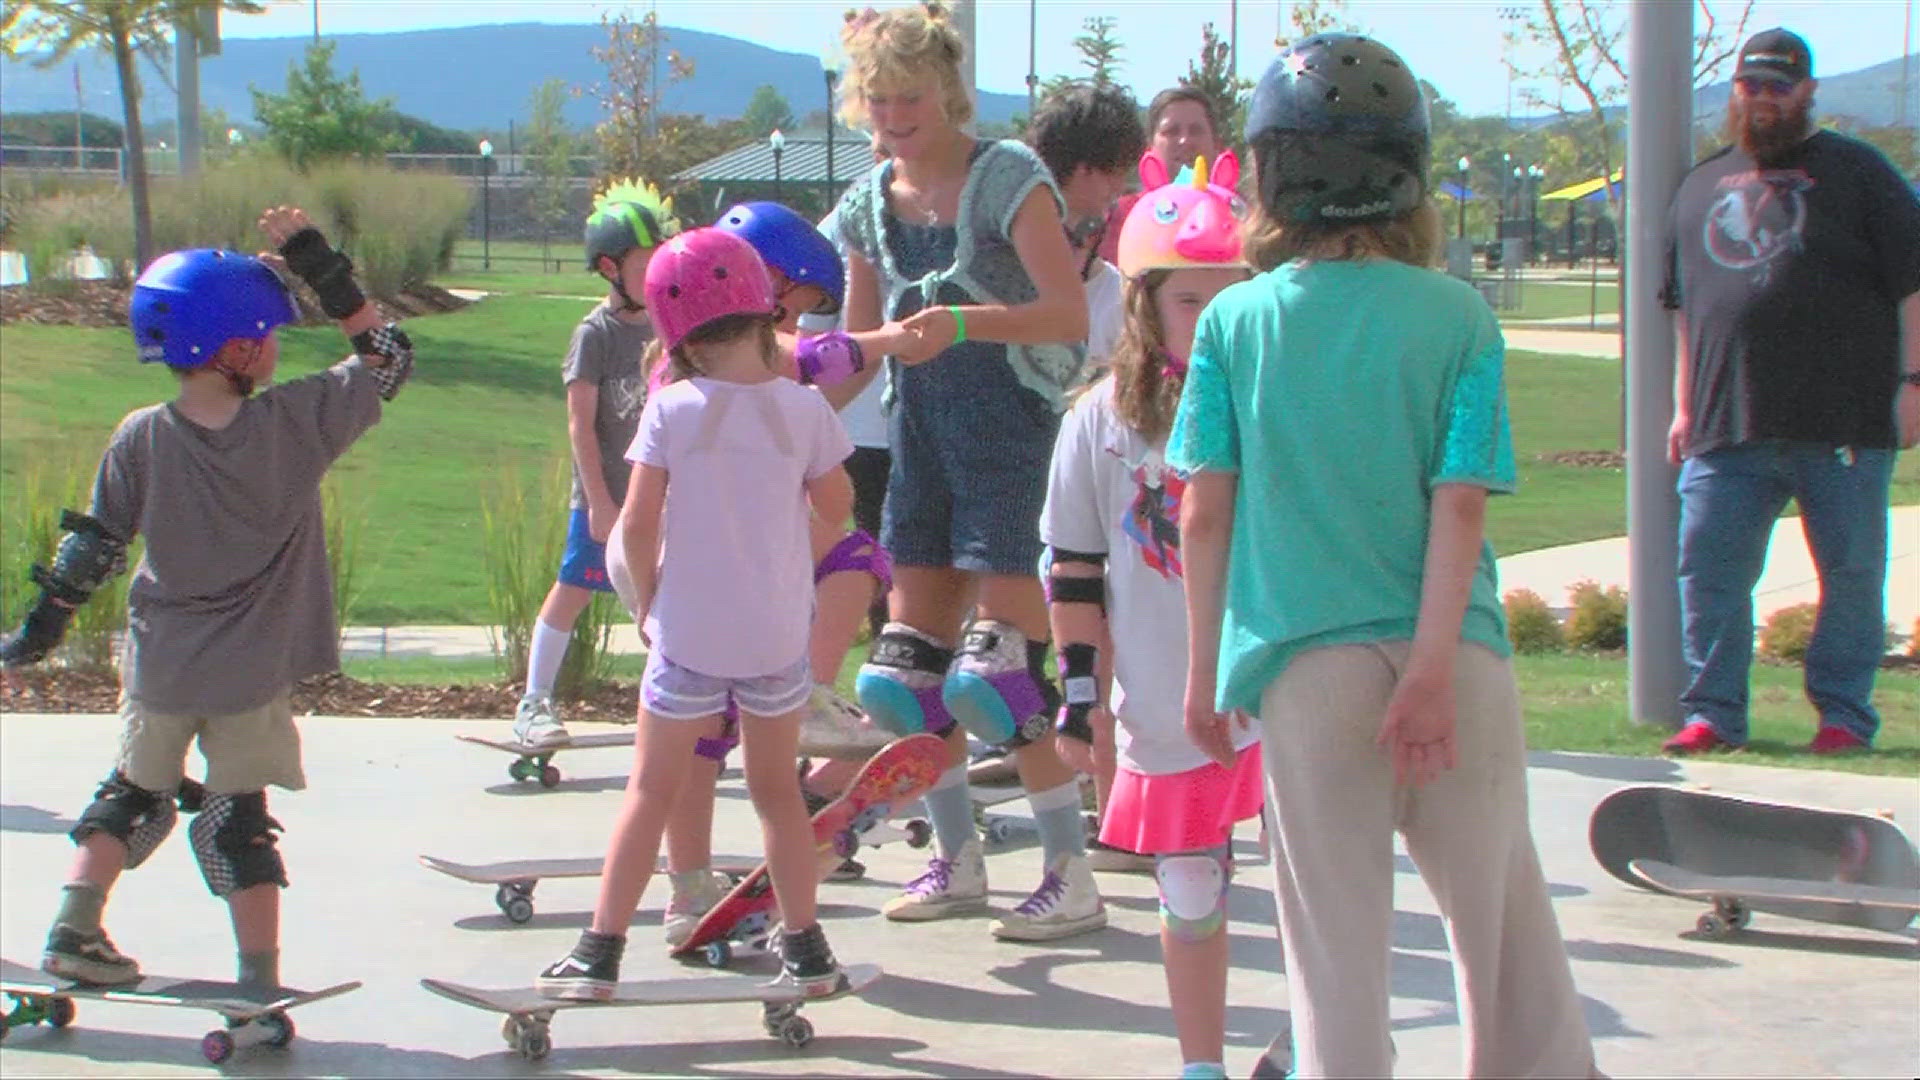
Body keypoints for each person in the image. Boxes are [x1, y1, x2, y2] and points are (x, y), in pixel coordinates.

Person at [1171, 35, 1597, 1076]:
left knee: (1337, 957)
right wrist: (1432, 673)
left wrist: (1201, 679)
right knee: (1502, 943)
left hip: (1305, 669)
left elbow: (1203, 516)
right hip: (1457, 661)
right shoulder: (1459, 316)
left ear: (1271, 173)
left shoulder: (1233, 320)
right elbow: (1459, 510)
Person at [0, 207, 415, 989]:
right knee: (238, 825)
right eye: (271, 328)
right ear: (238, 347)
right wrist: (323, 269)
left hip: (160, 670)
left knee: (131, 799)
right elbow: (388, 361)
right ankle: (258, 978)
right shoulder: (295, 425)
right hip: (247, 678)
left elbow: (92, 546)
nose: (279, 343)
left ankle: (72, 930)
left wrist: (37, 630)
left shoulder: (140, 435)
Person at [833, 2, 1103, 940]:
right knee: (905, 677)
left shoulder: (1007, 180)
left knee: (1001, 677)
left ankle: (1072, 871)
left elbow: (1068, 315)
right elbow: (863, 345)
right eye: (877, 99)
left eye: (909, 97)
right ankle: (958, 858)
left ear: (947, 93)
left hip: (1011, 437)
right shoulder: (871, 201)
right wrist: (772, 396)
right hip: (925, 445)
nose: (894, 115)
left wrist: (959, 324)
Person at [538, 228, 856, 999]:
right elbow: (840, 510)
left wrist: (646, 602)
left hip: (688, 636)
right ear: (762, 308)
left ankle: (599, 951)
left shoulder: (673, 410)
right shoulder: (804, 410)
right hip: (776, 637)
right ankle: (807, 951)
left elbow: (639, 525)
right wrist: (783, 553)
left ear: (672, 330)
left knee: (651, 789)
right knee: (777, 794)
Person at [1042, 153, 1260, 1080]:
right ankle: (1201, 1065)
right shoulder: (1100, 423)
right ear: (1142, 307)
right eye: (1190, 304)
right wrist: (1079, 696)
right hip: (1167, 702)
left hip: (1277, 688)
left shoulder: (1271, 406)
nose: (1213, 325)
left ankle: (1321, 1046)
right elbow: (1077, 568)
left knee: (1328, 881)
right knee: (1193, 888)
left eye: (1232, 301)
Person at [1660, 27, 1920, 756]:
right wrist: (1683, 405)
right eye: (1753, 85)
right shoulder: (1700, 183)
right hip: (1724, 421)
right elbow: (1684, 307)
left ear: (1807, 93)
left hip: (1842, 421)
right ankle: (1713, 713)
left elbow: (1914, 287)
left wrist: (1913, 383)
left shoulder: (1861, 175)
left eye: (1780, 86)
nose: (1765, 98)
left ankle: (1843, 716)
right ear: (1736, 91)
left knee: (1851, 572)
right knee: (1708, 571)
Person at [512, 179, 678, 749]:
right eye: (643, 262)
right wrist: (601, 502)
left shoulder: (671, 325)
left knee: (672, 599)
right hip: (606, 497)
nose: (654, 271)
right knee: (572, 589)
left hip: (662, 501)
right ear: (610, 267)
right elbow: (580, 425)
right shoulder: (596, 335)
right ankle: (534, 702)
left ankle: (681, 704)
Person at [1026, 83, 1146, 385]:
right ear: (1082, 168)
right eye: (1114, 170)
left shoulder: (1118, 297)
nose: (1119, 187)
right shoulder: (995, 286)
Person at [1097, 86, 1225, 266]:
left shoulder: (1240, 215)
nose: (1184, 141)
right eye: (1171, 131)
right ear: (1150, 147)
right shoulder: (1119, 217)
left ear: (1217, 145)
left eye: (1196, 131)